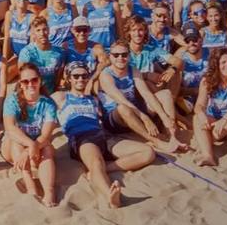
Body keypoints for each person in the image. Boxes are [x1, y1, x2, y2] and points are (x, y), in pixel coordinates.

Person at [53, 60, 154, 206]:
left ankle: (103, 169)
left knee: (147, 152)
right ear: (69, 78)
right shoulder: (61, 97)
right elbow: (38, 105)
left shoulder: (93, 99)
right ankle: (110, 196)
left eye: (84, 76)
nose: (80, 79)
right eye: (76, 76)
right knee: (96, 162)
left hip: (104, 136)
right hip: (82, 138)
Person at [0, 63, 59, 205]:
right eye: (25, 81)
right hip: (14, 149)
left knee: (47, 149)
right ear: (20, 84)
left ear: (40, 81)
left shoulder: (48, 104)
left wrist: (31, 148)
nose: (30, 84)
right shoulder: (12, 100)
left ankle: (49, 193)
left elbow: (46, 135)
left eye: (34, 80)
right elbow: (10, 128)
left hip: (36, 150)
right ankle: (31, 187)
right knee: (16, 140)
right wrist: (30, 144)